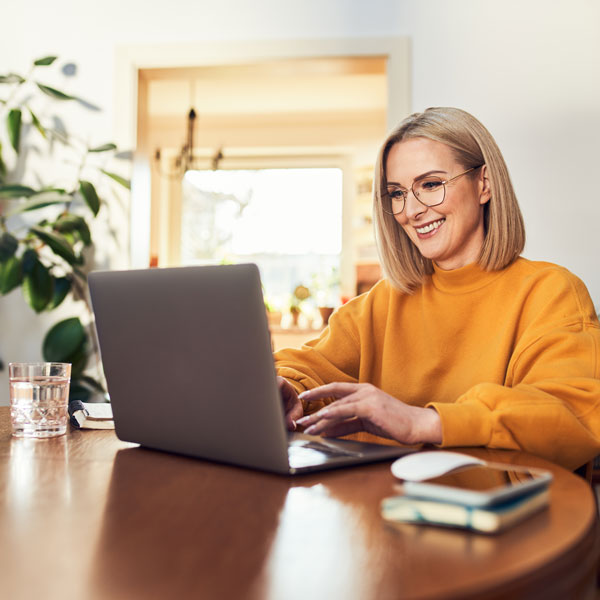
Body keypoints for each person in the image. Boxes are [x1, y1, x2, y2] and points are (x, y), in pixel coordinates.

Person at [275, 107, 600, 471]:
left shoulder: (551, 293)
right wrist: (285, 387)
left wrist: (423, 422)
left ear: (484, 184)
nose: (410, 210)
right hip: (386, 513)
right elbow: (305, 365)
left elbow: (572, 414)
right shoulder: (380, 304)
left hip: (500, 521)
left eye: (430, 185)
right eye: (397, 193)